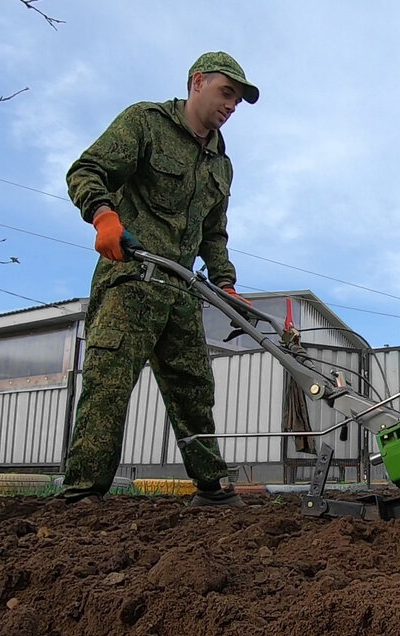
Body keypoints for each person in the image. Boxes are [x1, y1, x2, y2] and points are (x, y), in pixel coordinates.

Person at [60, 51, 259, 506]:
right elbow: (87, 170)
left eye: (238, 101)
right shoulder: (145, 123)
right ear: (197, 82)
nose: (231, 106)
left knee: (194, 389)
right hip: (130, 279)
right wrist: (103, 215)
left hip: (179, 289)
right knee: (108, 385)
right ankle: (82, 496)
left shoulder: (220, 164)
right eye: (226, 93)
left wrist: (225, 283)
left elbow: (214, 232)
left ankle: (212, 491)